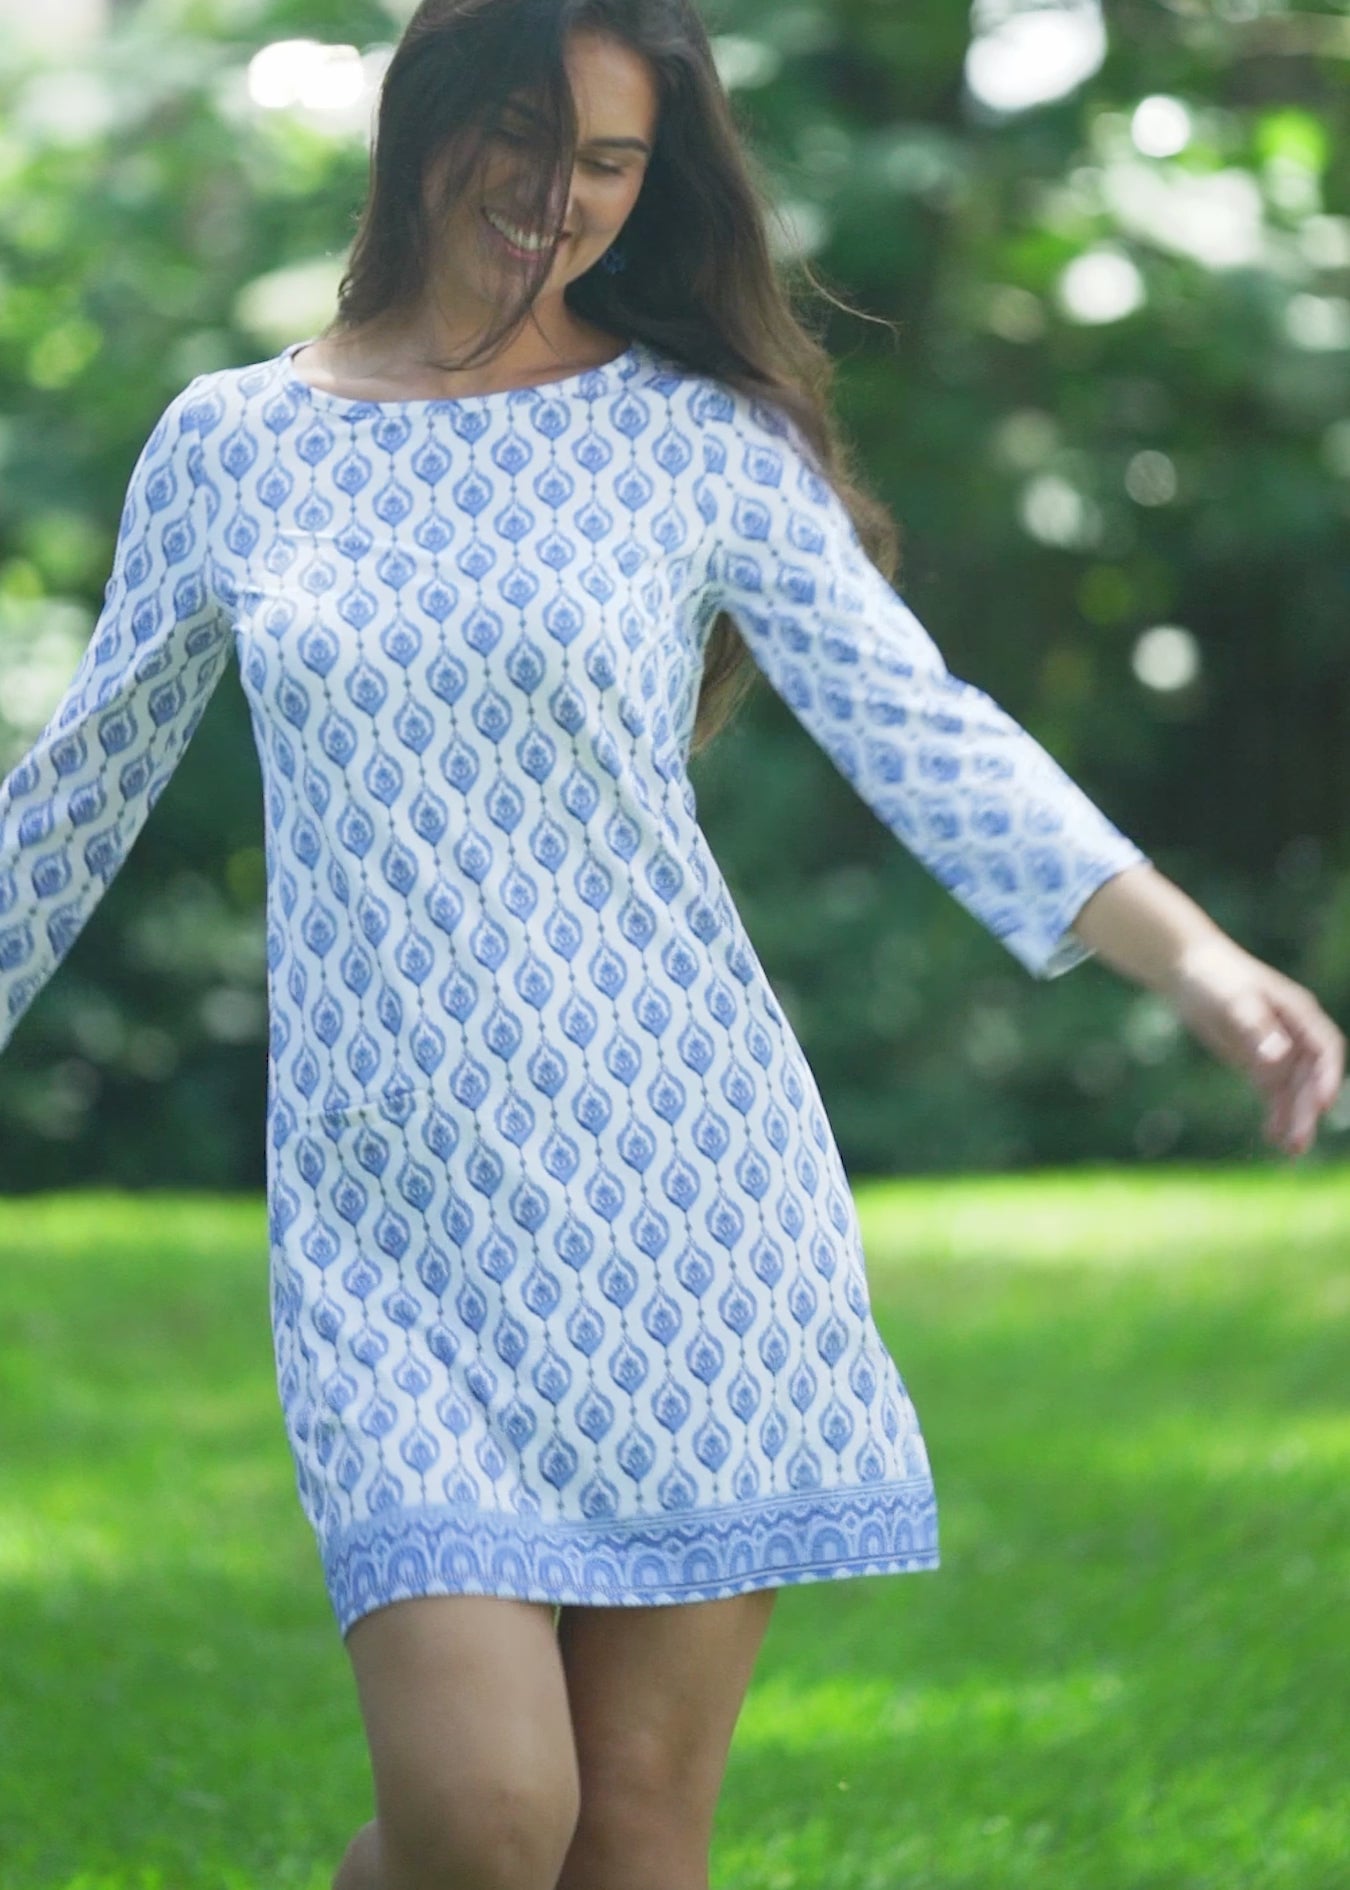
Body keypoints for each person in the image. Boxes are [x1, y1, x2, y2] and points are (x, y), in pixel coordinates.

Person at [0, 3, 1342, 1888]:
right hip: (391, 1223)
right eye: (524, 138)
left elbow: (922, 727)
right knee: (483, 1823)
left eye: (613, 161)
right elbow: (70, 795)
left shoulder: (696, 442)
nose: (559, 197)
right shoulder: (233, 444)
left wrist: (1190, 958)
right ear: (428, 119)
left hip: (686, 1199)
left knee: (631, 1840)